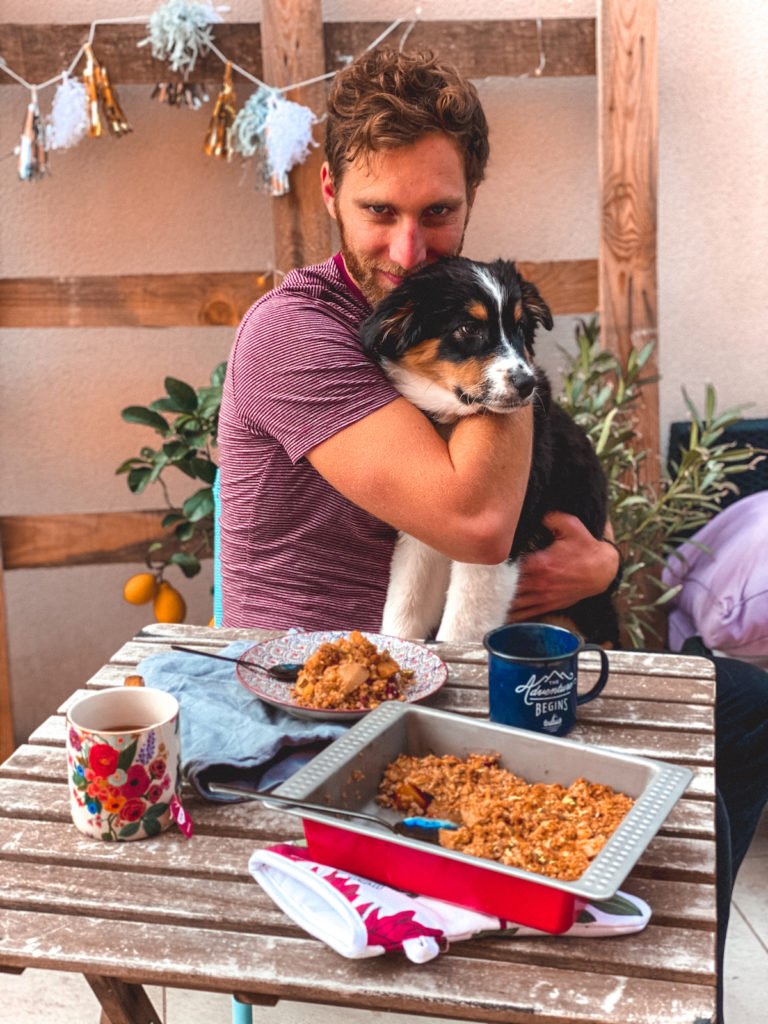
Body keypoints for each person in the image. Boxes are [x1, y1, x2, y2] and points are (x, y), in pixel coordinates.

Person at [218, 48, 767, 1021]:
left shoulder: (460, 306)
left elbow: (531, 507)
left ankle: (674, 987)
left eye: (437, 212)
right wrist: (511, 360)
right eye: (380, 211)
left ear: (471, 200)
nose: (407, 247)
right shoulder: (300, 331)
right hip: (343, 686)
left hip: (460, 658)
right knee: (672, 818)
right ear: (331, 192)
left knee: (742, 720)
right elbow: (476, 519)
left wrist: (602, 561)